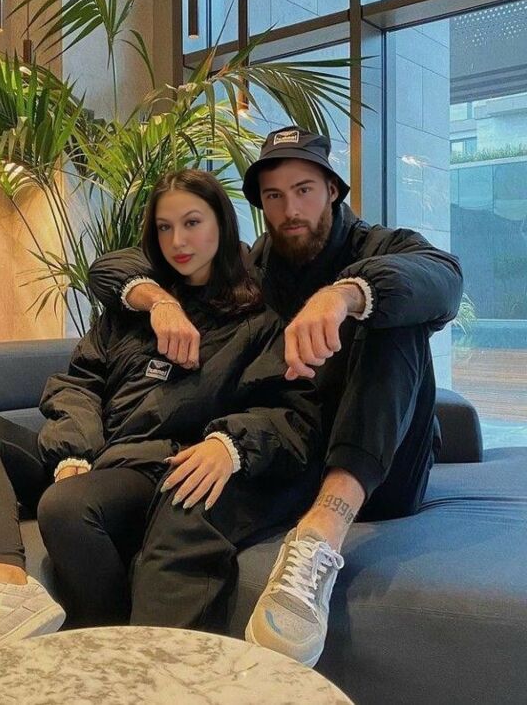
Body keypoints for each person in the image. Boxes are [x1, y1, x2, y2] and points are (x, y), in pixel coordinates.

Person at [87, 127, 464, 667]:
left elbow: (445, 280)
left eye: (304, 190)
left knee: (391, 313)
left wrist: (346, 295)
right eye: (274, 196)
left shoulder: (379, 247)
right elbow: (111, 268)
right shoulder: (254, 266)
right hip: (292, 453)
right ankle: (157, 675)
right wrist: (159, 302)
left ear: (332, 189)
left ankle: (321, 535)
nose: (291, 209)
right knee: (187, 501)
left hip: (382, 472)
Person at [0, 168, 320, 674]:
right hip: (87, 455)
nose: (178, 241)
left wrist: (228, 443)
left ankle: (107, 644)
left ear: (222, 225)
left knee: (65, 506)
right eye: (164, 227)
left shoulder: (258, 318)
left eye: (192, 223)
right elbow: (78, 383)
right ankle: (5, 588)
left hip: (147, 467)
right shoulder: (133, 307)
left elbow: (284, 409)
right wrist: (73, 452)